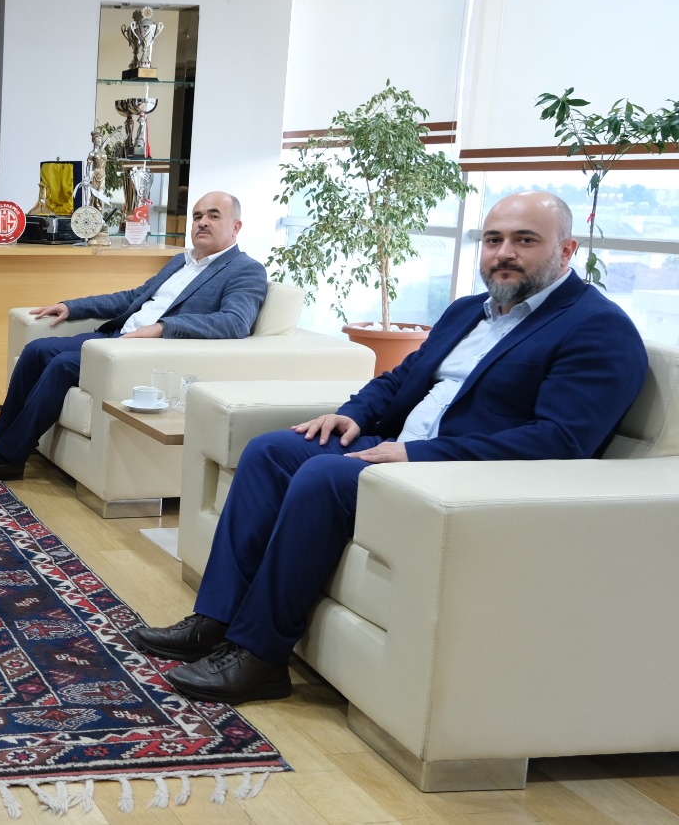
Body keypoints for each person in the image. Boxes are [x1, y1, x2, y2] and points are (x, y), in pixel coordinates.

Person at [131, 190, 648, 705]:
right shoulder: (469, 311)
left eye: (525, 240)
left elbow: (560, 439)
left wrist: (418, 456)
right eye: (493, 240)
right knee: (271, 451)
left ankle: (260, 656)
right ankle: (216, 620)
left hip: (456, 474)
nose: (504, 253)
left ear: (567, 249)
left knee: (324, 476)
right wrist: (352, 414)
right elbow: (401, 377)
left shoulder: (597, 327)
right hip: (400, 446)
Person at [0, 191, 268, 480]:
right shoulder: (180, 262)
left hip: (148, 351)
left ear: (236, 226)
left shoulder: (245, 270)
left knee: (62, 365)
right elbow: (133, 297)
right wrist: (72, 307)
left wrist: (163, 328)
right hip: (117, 337)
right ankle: (4, 444)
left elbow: (234, 322)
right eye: (197, 216)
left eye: (213, 215)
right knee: (36, 350)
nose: (202, 222)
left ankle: (8, 458)